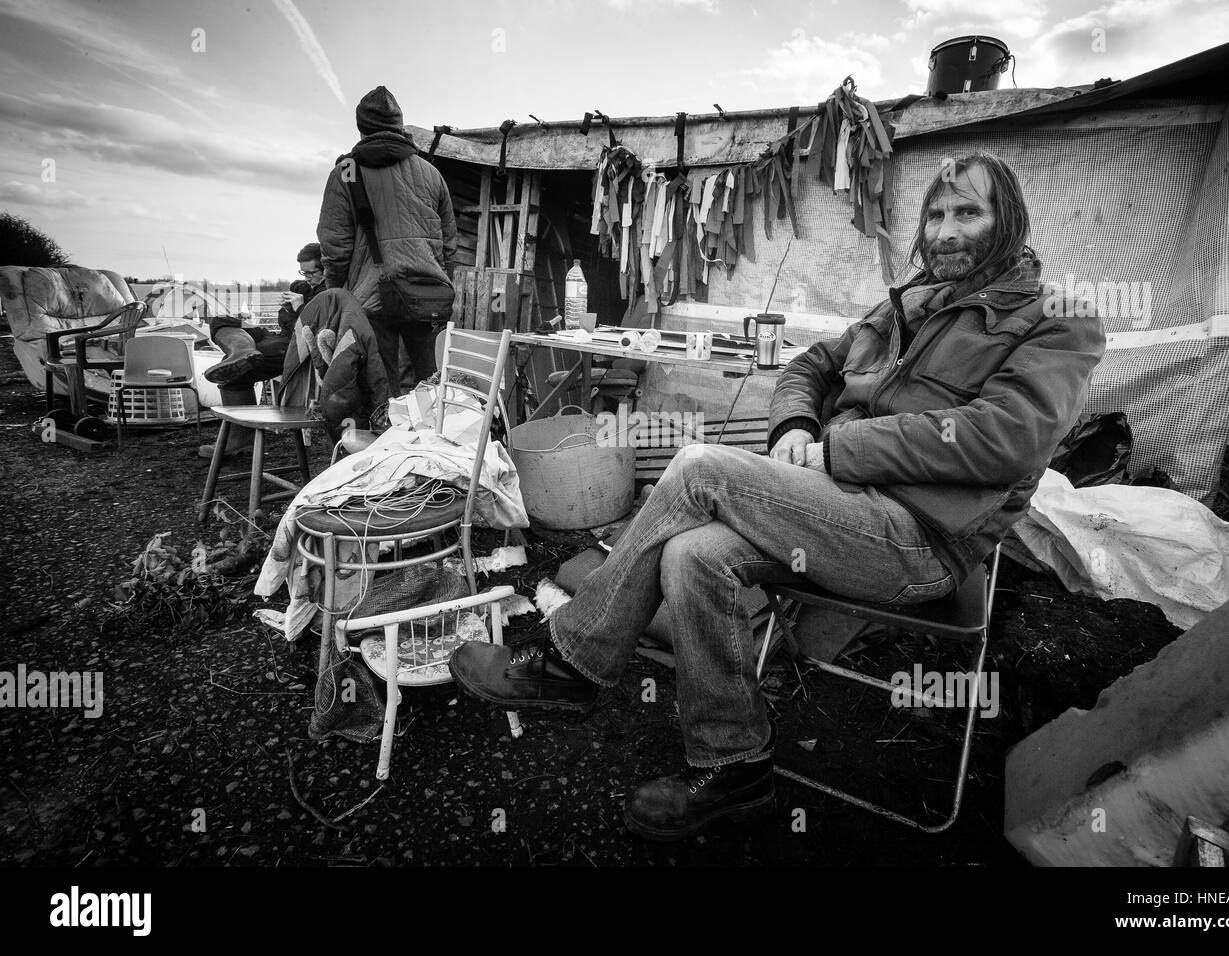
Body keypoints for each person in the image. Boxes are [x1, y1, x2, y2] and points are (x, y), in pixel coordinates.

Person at [449, 151, 1107, 841]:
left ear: (1010, 221)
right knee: (693, 556)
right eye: (936, 214)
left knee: (699, 464)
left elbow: (1002, 438)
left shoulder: (1057, 318)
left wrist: (836, 449)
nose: (945, 231)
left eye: (968, 213)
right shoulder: (909, 302)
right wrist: (795, 423)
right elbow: (811, 364)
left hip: (920, 541)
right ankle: (734, 764)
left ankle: (573, 662)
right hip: (835, 505)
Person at [317, 85, 458, 392]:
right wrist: (442, 280)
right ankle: (435, 435)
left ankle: (386, 436)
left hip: (372, 298)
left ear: (361, 127)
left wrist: (338, 294)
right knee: (434, 386)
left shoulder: (347, 172)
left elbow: (335, 246)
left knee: (382, 389)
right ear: (399, 125)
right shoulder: (431, 173)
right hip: (428, 296)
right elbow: (449, 244)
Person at [200, 243, 326, 457]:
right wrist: (287, 307)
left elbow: (316, 331)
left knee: (236, 374)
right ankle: (240, 352)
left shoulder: (331, 291)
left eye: (311, 272)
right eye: (303, 272)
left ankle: (239, 440)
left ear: (325, 268)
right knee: (221, 321)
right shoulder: (300, 287)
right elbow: (285, 322)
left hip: (298, 345)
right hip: (280, 337)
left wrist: (300, 307)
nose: (307, 277)